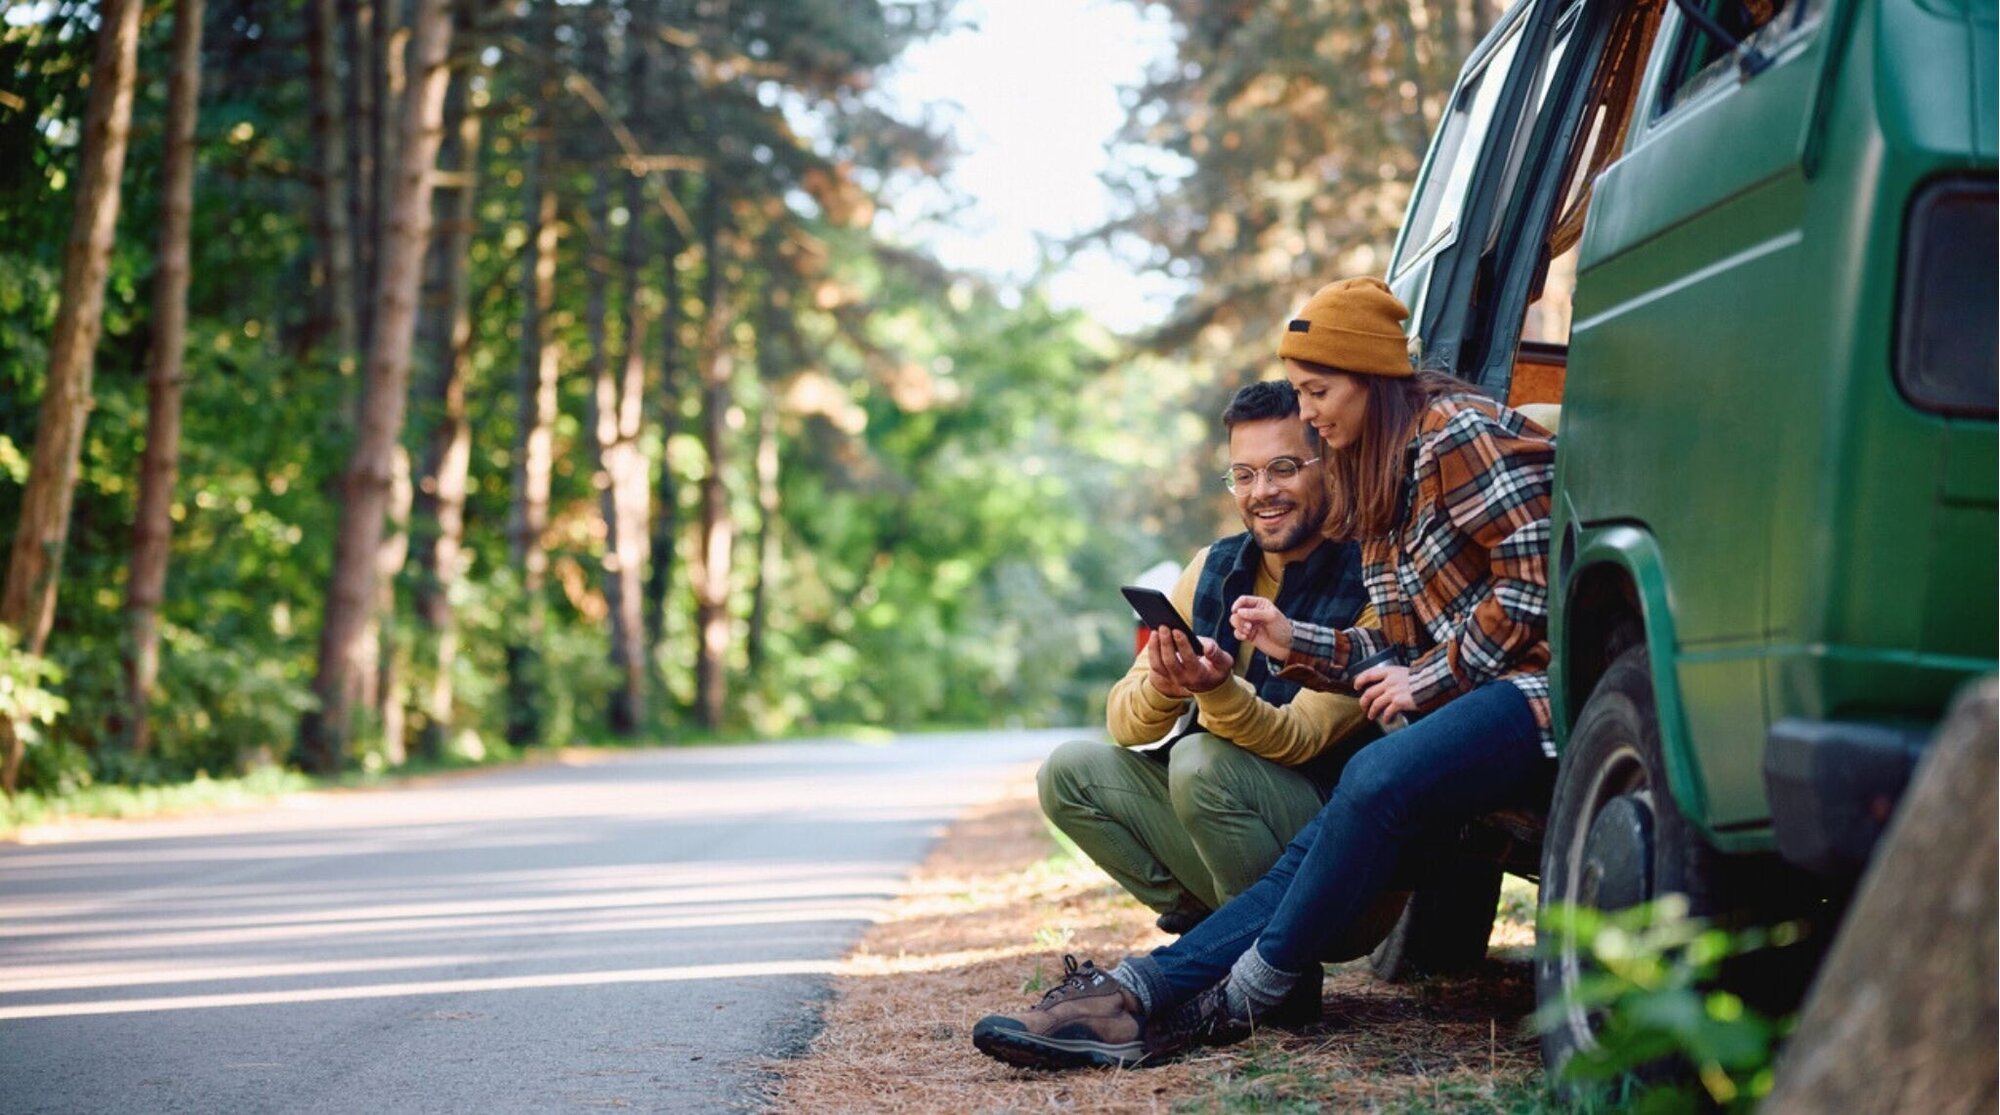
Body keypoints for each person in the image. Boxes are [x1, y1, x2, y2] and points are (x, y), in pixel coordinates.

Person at [971, 276, 1558, 1071]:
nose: (1311, 410)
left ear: (1372, 379)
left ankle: (1202, 997)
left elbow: (1538, 581)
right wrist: (1295, 640)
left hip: (1539, 691)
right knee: (1320, 826)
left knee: (1368, 776)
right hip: (1472, 703)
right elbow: (1382, 646)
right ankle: (1151, 989)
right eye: (1303, 393)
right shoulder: (1379, 480)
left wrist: (1428, 678)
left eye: (1320, 391)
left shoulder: (1455, 430)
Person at [1038, 380, 1377, 956]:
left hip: (1337, 862)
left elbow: (1299, 738)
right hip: (1227, 829)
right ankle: (1212, 938)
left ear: (1329, 465)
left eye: (1283, 468)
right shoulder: (1213, 567)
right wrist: (1165, 688)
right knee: (1067, 771)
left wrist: (1216, 691)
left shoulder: (1371, 575)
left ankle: (1274, 968)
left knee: (1200, 759)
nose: (1261, 492)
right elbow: (1124, 721)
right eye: (1243, 475)